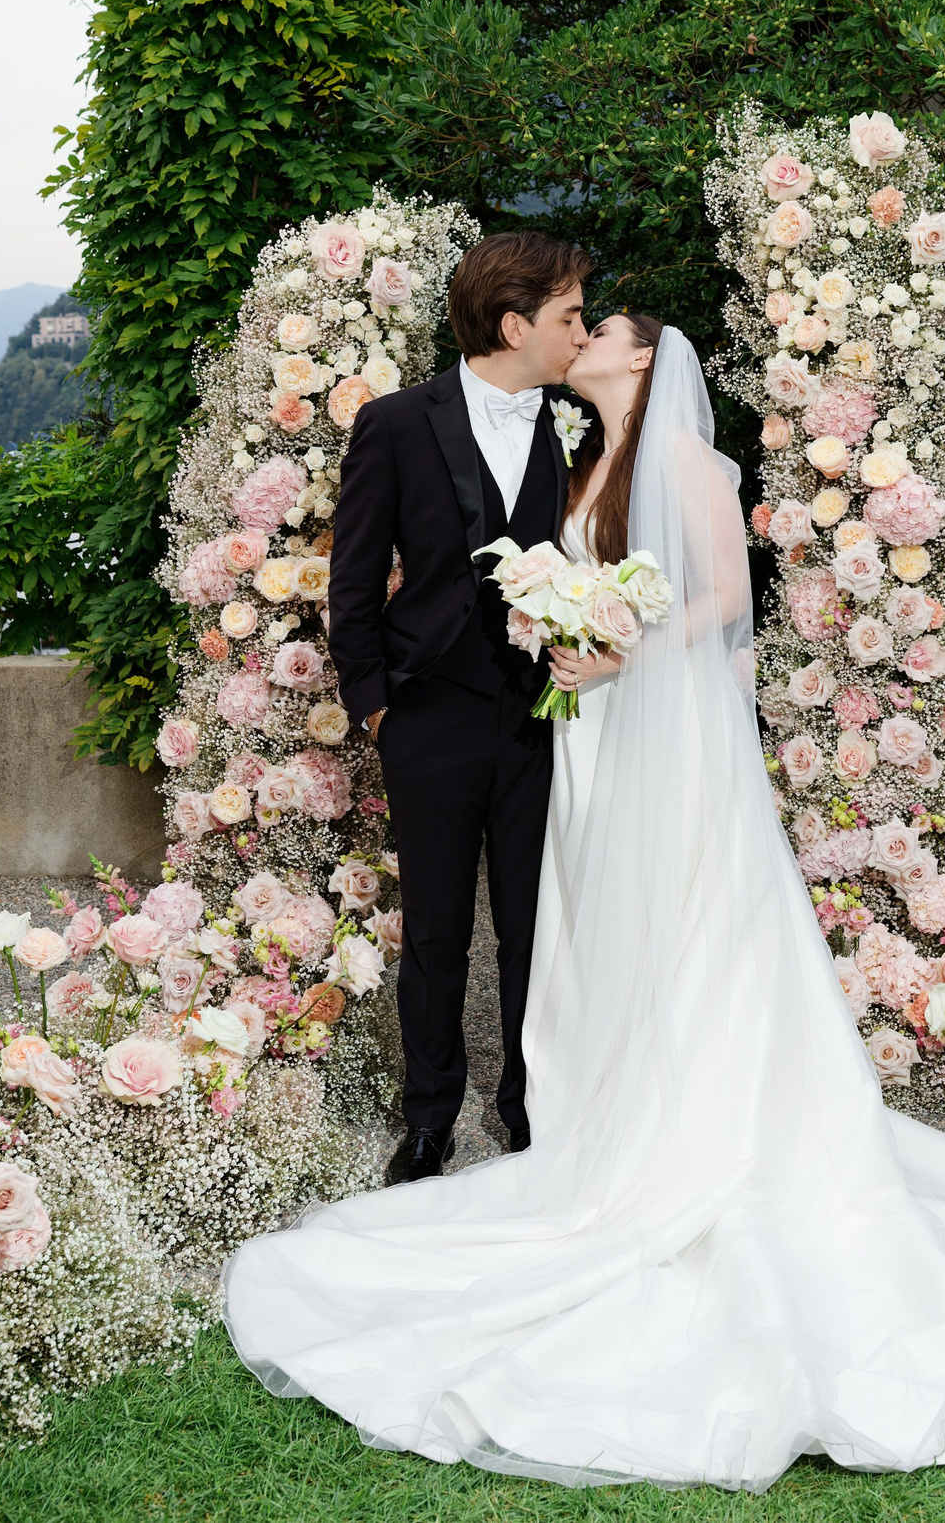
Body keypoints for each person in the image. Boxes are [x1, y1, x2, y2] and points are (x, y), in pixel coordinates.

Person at [226, 307, 945, 1491]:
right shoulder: (583, 454)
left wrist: (621, 644)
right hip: (593, 737)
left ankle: (685, 1130)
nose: (588, 332)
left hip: (656, 729)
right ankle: (596, 1110)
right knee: (598, 932)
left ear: (645, 361)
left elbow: (721, 595)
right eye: (580, 317)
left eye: (601, 325)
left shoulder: (689, 462)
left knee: (690, 929)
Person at [325, 231, 593, 1185]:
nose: (582, 331)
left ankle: (531, 1108)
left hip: (543, 717)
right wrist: (376, 709)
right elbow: (351, 577)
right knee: (435, 929)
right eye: (569, 315)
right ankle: (430, 1119)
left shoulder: (579, 423)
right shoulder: (397, 423)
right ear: (516, 322)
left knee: (537, 924)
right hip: (428, 715)